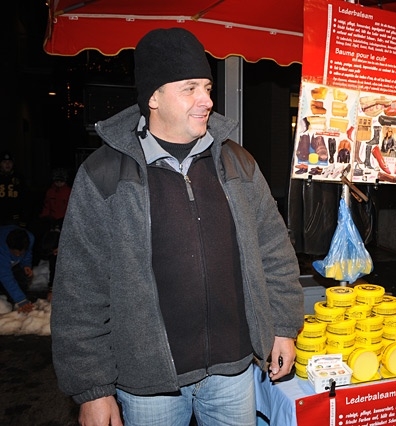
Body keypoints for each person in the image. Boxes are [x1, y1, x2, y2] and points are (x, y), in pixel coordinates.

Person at [51, 28, 304, 426]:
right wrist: (93, 390)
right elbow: (80, 291)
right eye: (190, 89)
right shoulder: (103, 174)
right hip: (149, 385)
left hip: (233, 370)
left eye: (207, 87)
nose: (207, 100)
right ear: (153, 98)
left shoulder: (237, 163)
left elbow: (275, 251)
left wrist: (284, 327)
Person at [38, 167, 71, 295]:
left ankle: (67, 283)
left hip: (65, 223)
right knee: (53, 254)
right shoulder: (50, 192)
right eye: (57, 181)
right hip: (52, 224)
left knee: (64, 252)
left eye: (61, 181)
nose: (59, 184)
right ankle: (52, 283)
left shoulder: (69, 191)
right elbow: (46, 207)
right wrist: (45, 219)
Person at [0, 225, 35, 313]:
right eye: (15, 253)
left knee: (21, 278)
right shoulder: (2, 249)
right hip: (2, 262)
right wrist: (21, 300)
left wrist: (26, 264)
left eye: (21, 253)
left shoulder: (29, 238)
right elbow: (5, 275)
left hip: (9, 262)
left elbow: (28, 252)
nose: (18, 255)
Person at [0, 151, 27, 226]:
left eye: (10, 162)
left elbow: (25, 198)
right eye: (4, 162)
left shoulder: (19, 178)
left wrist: (24, 218)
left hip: (14, 217)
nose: (7, 164)